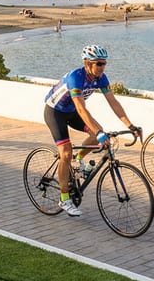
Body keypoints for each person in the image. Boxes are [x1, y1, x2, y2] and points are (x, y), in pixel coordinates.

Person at [42, 45, 139, 216]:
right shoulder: (75, 78)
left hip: (72, 112)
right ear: (88, 64)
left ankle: (79, 159)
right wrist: (99, 132)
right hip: (55, 112)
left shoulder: (101, 78)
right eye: (99, 64)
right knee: (65, 153)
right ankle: (64, 198)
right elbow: (81, 108)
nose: (102, 67)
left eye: (104, 63)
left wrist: (130, 125)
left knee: (99, 133)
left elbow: (113, 103)